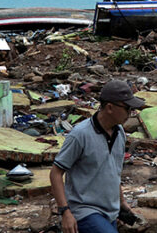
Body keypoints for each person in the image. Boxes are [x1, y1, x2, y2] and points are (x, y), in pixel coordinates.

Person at [50, 79, 145, 233]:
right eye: (127, 109)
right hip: (84, 210)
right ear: (109, 107)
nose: (130, 114)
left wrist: (122, 202)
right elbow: (56, 172)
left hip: (110, 211)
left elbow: (114, 171)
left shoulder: (119, 133)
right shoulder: (80, 135)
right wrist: (65, 212)